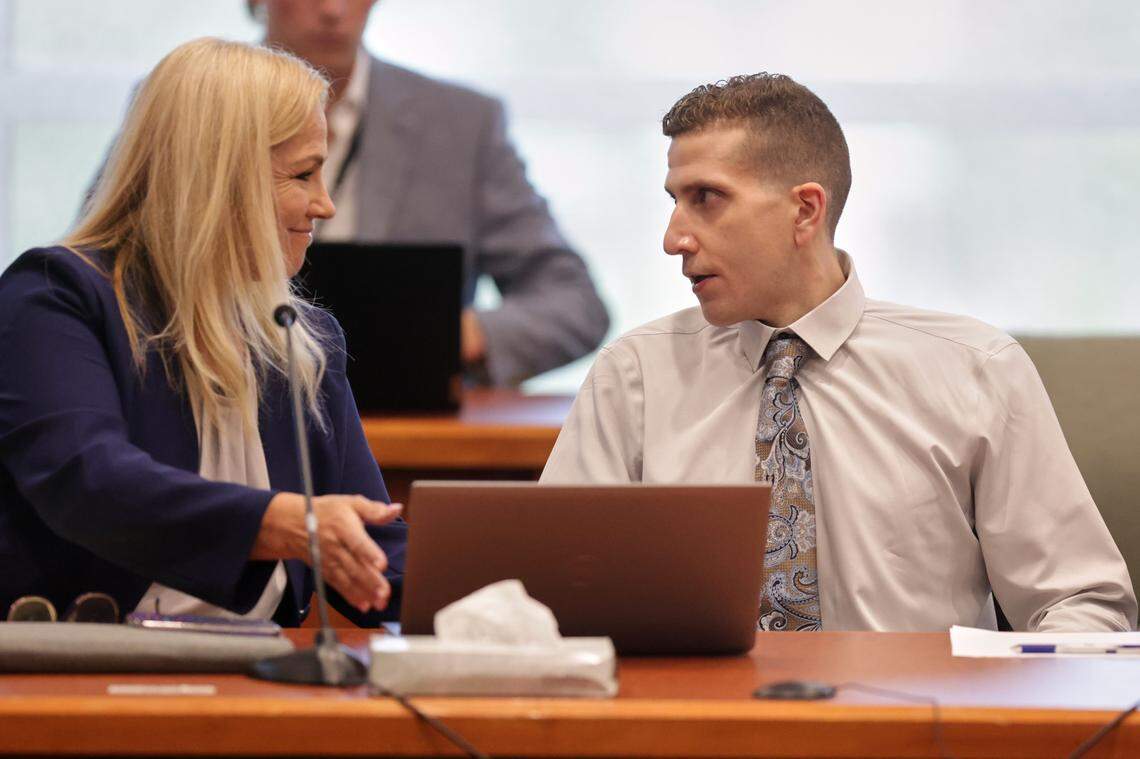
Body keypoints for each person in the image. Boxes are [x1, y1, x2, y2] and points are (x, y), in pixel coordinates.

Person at [541, 73, 1137, 633]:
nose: (674, 238)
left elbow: (1077, 602)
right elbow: (551, 598)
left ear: (805, 210)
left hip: (920, 729)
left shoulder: (975, 368)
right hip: (698, 727)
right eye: (674, 200)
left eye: (706, 198)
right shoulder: (636, 374)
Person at [0, 38, 405, 626]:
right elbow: (89, 479)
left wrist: (516, 591)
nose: (325, 206)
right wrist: (282, 523)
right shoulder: (55, 296)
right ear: (219, 176)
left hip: (253, 677)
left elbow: (371, 546)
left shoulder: (304, 336)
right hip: (74, 674)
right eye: (303, 175)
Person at [251, 0, 610, 385]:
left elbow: (576, 304)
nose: (333, 9)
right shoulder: (192, 111)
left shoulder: (461, 125)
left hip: (404, 423)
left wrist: (453, 335)